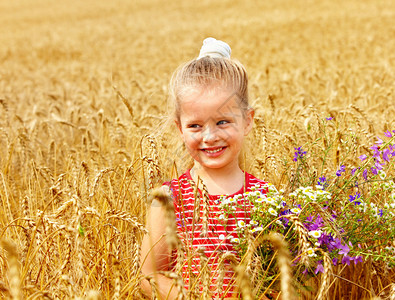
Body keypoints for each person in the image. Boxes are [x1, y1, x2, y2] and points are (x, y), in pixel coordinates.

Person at [140, 37, 268, 299]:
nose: (209, 137)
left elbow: (278, 275)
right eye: (195, 126)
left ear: (247, 121)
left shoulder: (264, 196)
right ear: (179, 128)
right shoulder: (169, 199)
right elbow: (149, 275)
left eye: (222, 122)